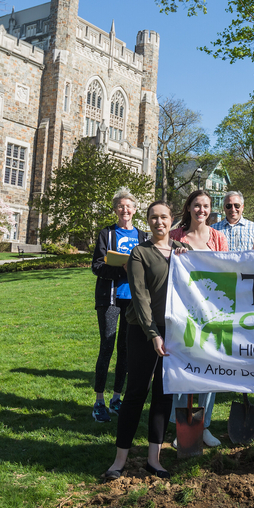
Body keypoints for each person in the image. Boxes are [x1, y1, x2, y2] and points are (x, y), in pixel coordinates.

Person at [103, 201, 189, 480]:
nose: (159, 222)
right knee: (136, 393)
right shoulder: (140, 252)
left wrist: (187, 257)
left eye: (164, 217)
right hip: (142, 330)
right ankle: (119, 460)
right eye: (153, 217)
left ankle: (154, 458)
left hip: (173, 330)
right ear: (148, 221)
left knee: (164, 394)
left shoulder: (180, 252)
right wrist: (153, 334)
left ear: (172, 219)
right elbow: (140, 298)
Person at [169, 190, 229, 448]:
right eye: (196, 205)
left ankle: (204, 425)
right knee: (182, 366)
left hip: (211, 311)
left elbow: (227, 271)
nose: (201, 210)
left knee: (209, 367)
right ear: (189, 207)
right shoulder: (175, 237)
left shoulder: (218, 237)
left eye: (205, 206)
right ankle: (181, 427)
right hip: (182, 310)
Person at [90, 188, 148, 422]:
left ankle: (116, 397)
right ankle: (99, 401)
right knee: (107, 346)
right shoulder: (107, 234)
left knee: (126, 350)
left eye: (129, 206)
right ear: (115, 210)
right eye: (120, 206)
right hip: (111, 300)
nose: (125, 210)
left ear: (135, 210)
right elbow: (96, 265)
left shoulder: (143, 237)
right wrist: (121, 268)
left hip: (134, 302)